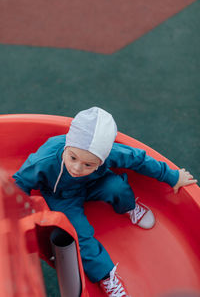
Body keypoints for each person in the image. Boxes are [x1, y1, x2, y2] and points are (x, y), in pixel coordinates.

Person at [13, 107, 197, 297]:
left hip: (94, 184)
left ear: (101, 159)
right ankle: (106, 276)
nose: (77, 168)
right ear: (67, 146)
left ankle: (129, 207)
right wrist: (13, 211)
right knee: (79, 235)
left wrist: (173, 177)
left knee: (116, 187)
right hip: (62, 195)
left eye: (88, 164)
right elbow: (21, 182)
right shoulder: (46, 158)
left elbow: (140, 160)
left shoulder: (110, 153)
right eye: (73, 158)